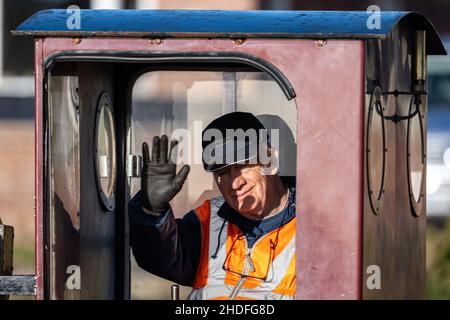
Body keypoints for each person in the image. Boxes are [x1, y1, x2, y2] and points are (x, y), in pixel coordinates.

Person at [129, 112, 296, 300]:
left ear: (269, 160)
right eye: (222, 173)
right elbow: (159, 258)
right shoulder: (210, 219)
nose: (234, 183)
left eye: (242, 166)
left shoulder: (312, 230)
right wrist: (151, 210)